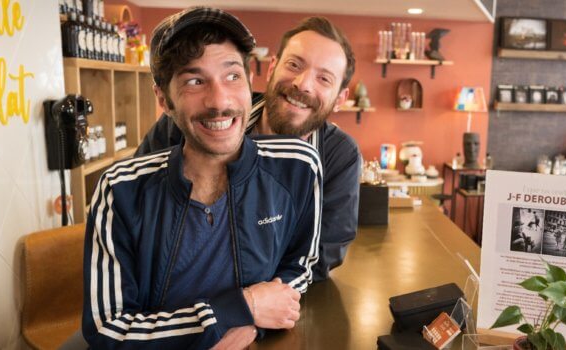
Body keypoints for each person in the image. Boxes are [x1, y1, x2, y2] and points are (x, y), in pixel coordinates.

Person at [82, 7, 323, 349]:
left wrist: (259, 322)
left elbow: (300, 266)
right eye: (194, 81)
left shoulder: (298, 166)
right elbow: (108, 331)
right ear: (164, 99)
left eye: (232, 76)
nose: (220, 101)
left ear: (249, 83)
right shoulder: (120, 189)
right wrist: (239, 310)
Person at [136, 16, 360, 281]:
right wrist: (238, 302)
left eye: (324, 78)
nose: (303, 83)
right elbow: (136, 216)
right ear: (272, 67)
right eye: (294, 64)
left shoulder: (339, 155)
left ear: (340, 99)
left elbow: (322, 254)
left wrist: (257, 300)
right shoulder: (188, 122)